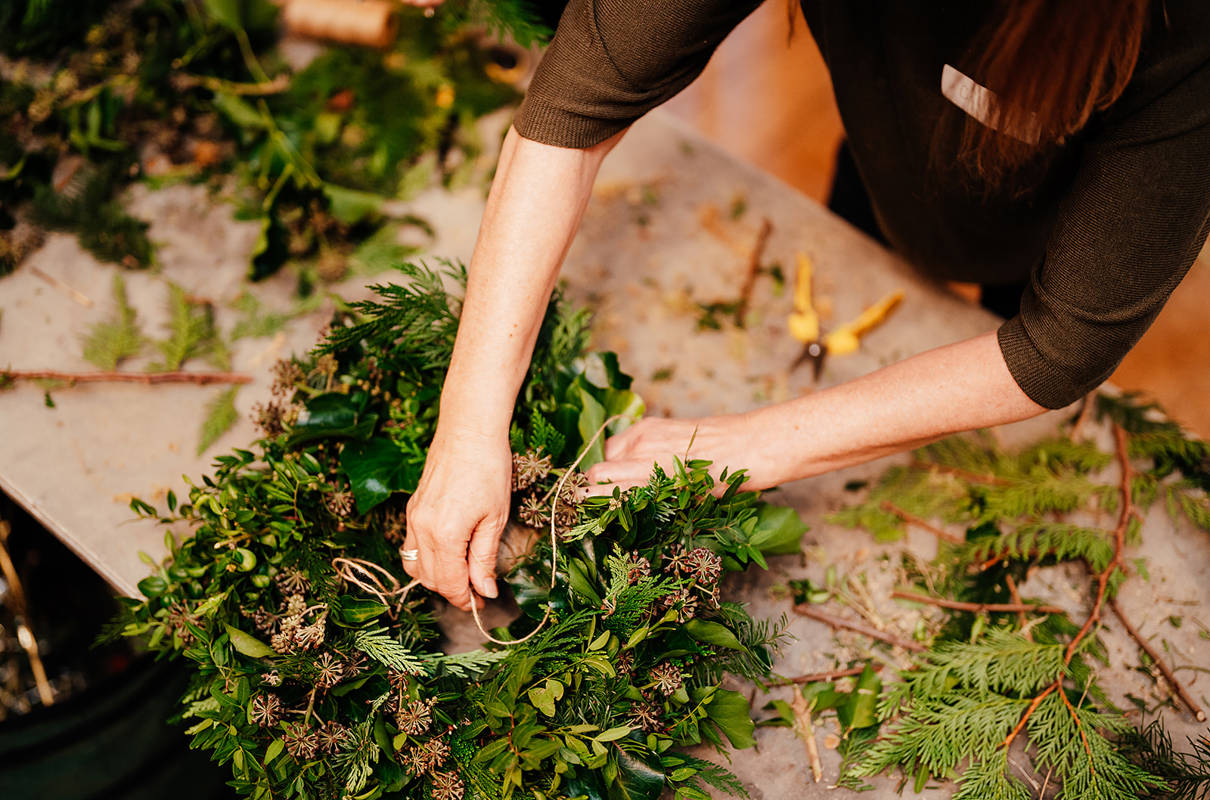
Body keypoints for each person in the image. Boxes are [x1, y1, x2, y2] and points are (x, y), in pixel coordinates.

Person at [401, 0, 1210, 611]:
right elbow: (576, 98)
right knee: (863, 220)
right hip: (888, 159)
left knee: (1005, 345)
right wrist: (470, 422)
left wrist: (752, 444)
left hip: (1044, 235)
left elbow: (1056, 346)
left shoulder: (1182, 32)